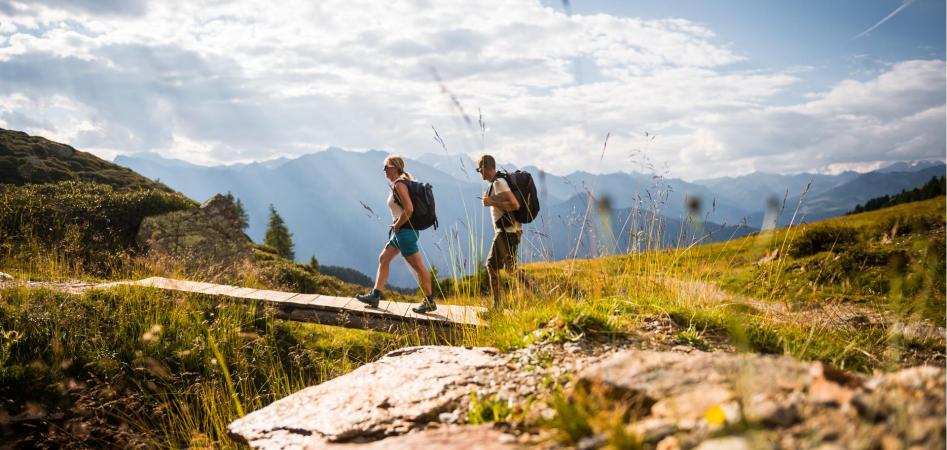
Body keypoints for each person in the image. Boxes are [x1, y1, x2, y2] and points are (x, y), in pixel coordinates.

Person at [356, 156, 437, 314]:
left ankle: (429, 301)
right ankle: (375, 295)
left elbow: (409, 209)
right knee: (383, 258)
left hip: (405, 232)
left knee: (418, 267)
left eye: (386, 167)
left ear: (395, 167)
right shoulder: (399, 183)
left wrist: (397, 225)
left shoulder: (400, 184)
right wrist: (397, 227)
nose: (384, 170)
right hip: (401, 232)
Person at [477, 154, 524, 309]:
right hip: (510, 231)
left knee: (491, 265)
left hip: (506, 232)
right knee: (511, 269)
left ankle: (497, 307)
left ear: (485, 168)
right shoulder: (496, 183)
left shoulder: (499, 183)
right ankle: (538, 293)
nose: (479, 172)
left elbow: (514, 204)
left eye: (479, 169)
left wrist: (491, 201)